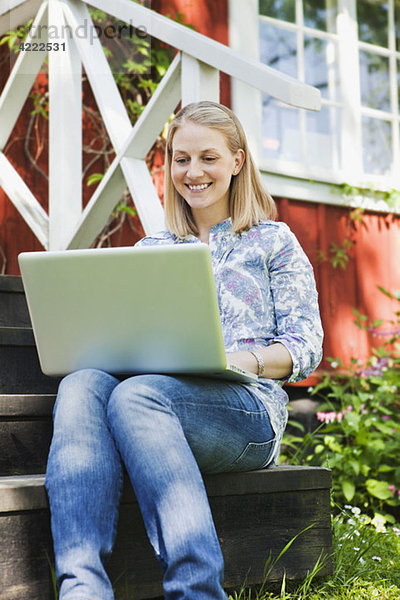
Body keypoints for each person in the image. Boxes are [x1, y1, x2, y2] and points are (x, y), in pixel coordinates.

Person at [45, 100, 323, 600]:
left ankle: (197, 591)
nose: (192, 172)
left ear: (237, 161)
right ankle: (81, 588)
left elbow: (305, 347)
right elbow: (124, 340)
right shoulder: (151, 249)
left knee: (136, 397)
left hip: (249, 412)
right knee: (82, 382)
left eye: (208, 158)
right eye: (180, 158)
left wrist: (244, 360)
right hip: (157, 399)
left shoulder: (273, 242)